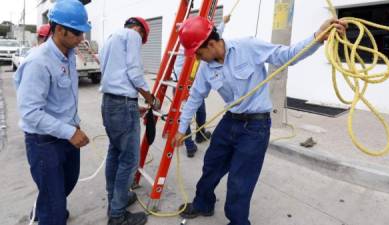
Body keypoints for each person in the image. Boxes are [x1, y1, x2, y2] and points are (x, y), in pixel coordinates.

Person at [173, 16, 347, 225]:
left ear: (210, 44)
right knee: (211, 165)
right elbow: (195, 97)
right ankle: (203, 204)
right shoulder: (206, 68)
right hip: (230, 121)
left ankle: (238, 222)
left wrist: (317, 37)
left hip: (255, 127)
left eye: (199, 54)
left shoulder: (248, 46)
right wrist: (182, 129)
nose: (199, 59)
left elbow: (288, 55)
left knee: (240, 182)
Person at [14, 0, 91, 224]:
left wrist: (73, 125)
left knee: (67, 183)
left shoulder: (68, 54)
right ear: (59, 30)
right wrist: (68, 131)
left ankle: (46, 206)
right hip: (44, 143)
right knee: (55, 207)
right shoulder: (38, 62)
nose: (81, 38)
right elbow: (30, 113)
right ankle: (49, 213)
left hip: (66, 136)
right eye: (77, 33)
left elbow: (64, 98)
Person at [99, 17, 159, 225]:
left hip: (109, 103)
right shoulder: (132, 35)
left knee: (115, 154)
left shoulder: (110, 39)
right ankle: (117, 215)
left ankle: (115, 200)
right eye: (143, 38)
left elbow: (116, 74)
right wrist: (150, 98)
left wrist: (133, 105)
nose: (140, 41)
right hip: (122, 105)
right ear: (140, 31)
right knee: (129, 160)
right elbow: (134, 72)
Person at [173, 15, 231, 157]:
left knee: (200, 111)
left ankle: (200, 134)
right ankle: (189, 145)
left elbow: (211, 38)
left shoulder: (201, 43)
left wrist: (223, 22)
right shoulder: (187, 45)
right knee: (187, 111)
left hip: (195, 83)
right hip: (182, 85)